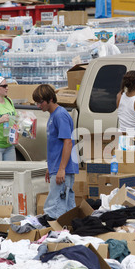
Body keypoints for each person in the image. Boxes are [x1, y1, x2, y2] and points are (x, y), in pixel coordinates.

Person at [32, 84, 79, 220]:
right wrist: (51, 167)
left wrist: (61, 169)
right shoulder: (53, 116)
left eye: (41, 102)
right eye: (37, 102)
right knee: (66, 209)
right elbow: (55, 146)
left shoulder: (60, 115)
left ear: (50, 99)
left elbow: (68, 142)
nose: (38, 106)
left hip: (62, 170)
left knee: (54, 209)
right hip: (57, 168)